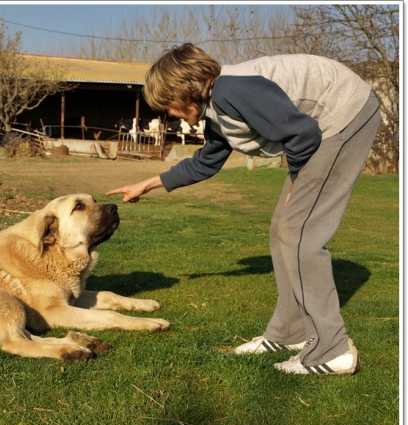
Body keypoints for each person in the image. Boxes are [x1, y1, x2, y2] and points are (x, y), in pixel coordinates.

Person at [106, 43, 381, 375]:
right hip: (325, 124)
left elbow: (303, 134)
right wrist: (146, 185)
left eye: (170, 106)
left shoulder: (231, 91)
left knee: (297, 232)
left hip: (344, 113)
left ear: (187, 91)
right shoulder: (217, 109)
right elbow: (206, 163)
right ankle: (290, 332)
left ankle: (332, 348)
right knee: (283, 227)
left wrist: (295, 183)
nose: (171, 114)